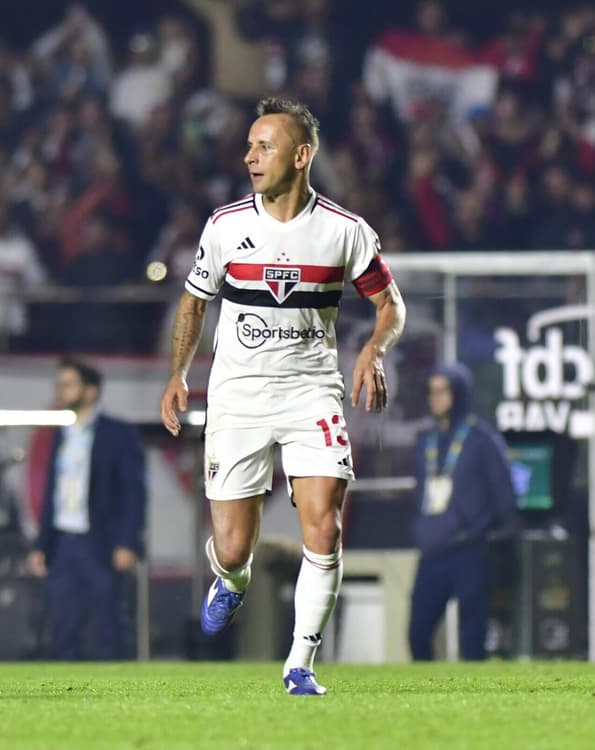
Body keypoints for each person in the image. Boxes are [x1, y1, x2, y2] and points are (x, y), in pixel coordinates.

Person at [159, 97, 406, 695]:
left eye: (263, 146)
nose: (249, 156)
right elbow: (195, 302)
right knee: (234, 544)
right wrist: (177, 374)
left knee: (324, 528)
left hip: (311, 394)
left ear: (303, 155)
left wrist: (375, 347)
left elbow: (390, 305)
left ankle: (300, 664)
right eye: (248, 146)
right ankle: (233, 579)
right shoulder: (224, 226)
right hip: (238, 395)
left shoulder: (344, 231)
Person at [27, 358, 148, 660]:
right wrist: (41, 544)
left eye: (68, 385)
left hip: (101, 542)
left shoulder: (117, 433)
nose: (61, 392)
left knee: (110, 624)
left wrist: (127, 541)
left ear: (91, 391)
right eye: (59, 385)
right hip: (64, 542)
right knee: (63, 626)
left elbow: (134, 493)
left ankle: (119, 696)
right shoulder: (59, 433)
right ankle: (64, 698)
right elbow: (52, 492)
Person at [408, 363, 517, 661]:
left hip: (470, 550)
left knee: (472, 637)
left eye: (443, 391)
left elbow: (504, 494)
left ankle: (477, 701)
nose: (436, 398)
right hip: (432, 550)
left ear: (459, 393)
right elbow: (421, 493)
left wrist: (494, 537)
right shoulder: (424, 441)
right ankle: (424, 698)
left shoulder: (482, 440)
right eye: (432, 392)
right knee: (417, 632)